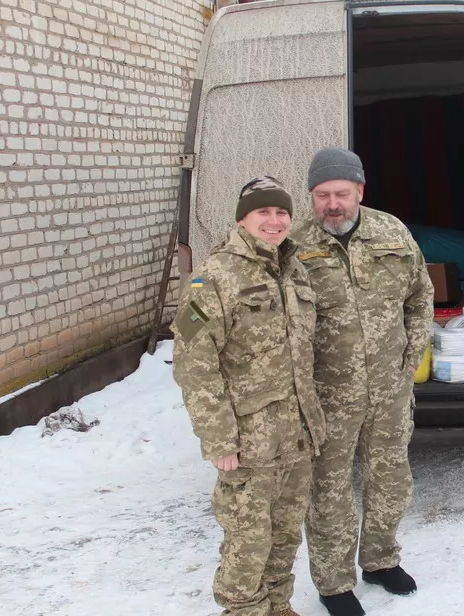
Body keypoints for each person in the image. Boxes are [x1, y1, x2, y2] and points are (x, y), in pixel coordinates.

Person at [171, 176, 326, 616]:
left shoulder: (293, 267)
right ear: (243, 218)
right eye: (264, 212)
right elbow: (192, 359)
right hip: (249, 440)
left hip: (296, 435)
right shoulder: (211, 277)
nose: (274, 221)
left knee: (285, 532)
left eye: (281, 212)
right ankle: (244, 610)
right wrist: (219, 438)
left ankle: (278, 606)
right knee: (248, 538)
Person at [291, 147, 434, 616]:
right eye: (322, 195)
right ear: (311, 196)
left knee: (391, 478)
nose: (333, 204)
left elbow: (420, 295)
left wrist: (409, 358)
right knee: (328, 488)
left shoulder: (391, 232)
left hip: (389, 389)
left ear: (360, 191)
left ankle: (380, 560)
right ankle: (333, 585)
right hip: (327, 396)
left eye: (342, 194)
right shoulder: (293, 246)